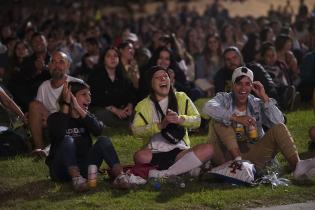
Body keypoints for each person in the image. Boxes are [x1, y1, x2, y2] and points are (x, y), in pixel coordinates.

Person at [203, 66, 315, 180]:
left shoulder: (256, 103)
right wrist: (235, 118)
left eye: (247, 84)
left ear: (252, 86)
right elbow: (208, 107)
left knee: (279, 128)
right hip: (224, 156)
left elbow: (279, 121)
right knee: (219, 121)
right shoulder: (224, 98)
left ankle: (298, 166)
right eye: (239, 83)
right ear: (232, 85)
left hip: (251, 156)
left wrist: (264, 97)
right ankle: (236, 163)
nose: (243, 88)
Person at [46, 81, 130, 191]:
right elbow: (59, 133)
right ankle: (76, 179)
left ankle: (120, 176)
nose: (89, 99)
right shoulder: (55, 118)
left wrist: (79, 109)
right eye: (84, 94)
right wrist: (67, 104)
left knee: (103, 141)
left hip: (84, 169)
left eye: (89, 95)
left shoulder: (86, 117)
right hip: (61, 170)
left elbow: (98, 130)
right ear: (71, 97)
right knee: (67, 139)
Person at [132, 65, 213, 178]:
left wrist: (180, 119)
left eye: (165, 76)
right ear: (150, 83)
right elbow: (136, 131)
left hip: (180, 151)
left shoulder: (181, 97)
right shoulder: (143, 105)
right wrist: (160, 126)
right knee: (139, 156)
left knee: (208, 149)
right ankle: (186, 170)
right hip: (154, 152)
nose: (163, 79)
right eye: (157, 77)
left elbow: (197, 120)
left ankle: (165, 173)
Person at [28, 50, 82, 156]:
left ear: (68, 66)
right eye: (53, 62)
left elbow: (81, 113)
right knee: (33, 105)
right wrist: (36, 118)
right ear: (48, 66)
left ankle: (48, 151)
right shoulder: (44, 86)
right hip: (50, 124)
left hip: (70, 125)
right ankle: (40, 148)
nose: (56, 65)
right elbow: (37, 112)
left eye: (61, 62)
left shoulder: (76, 84)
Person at [87, 46, 135, 128]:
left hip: (121, 110)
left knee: (137, 112)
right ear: (104, 60)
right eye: (109, 56)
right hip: (103, 109)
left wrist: (129, 106)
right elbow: (95, 98)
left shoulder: (122, 76)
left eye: (115, 56)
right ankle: (127, 126)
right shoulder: (95, 76)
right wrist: (114, 110)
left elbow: (130, 94)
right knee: (100, 114)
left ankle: (127, 123)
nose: (112, 58)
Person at [214, 46, 279, 104]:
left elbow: (270, 88)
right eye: (228, 59)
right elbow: (219, 97)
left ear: (240, 58)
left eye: (234, 58)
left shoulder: (256, 69)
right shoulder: (220, 75)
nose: (232, 62)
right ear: (224, 62)